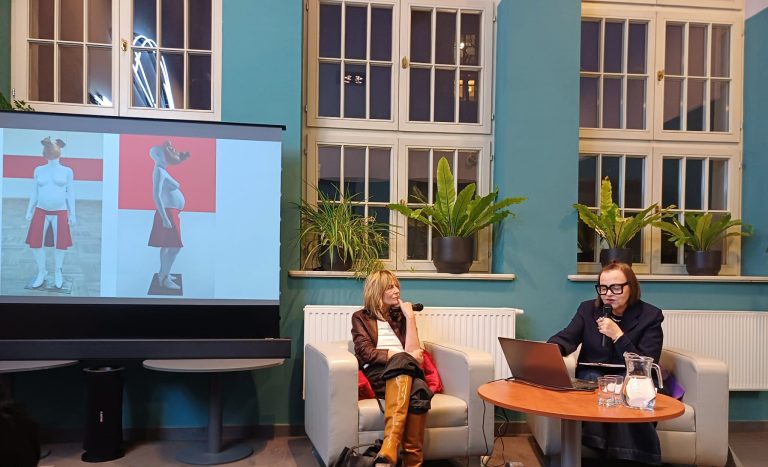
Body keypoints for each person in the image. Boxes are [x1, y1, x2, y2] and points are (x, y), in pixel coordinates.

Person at [548, 261, 664, 465]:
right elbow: (567, 338)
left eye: (616, 288)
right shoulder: (588, 310)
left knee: (625, 388)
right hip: (592, 377)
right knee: (594, 380)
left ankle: (629, 458)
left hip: (631, 379)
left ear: (631, 287)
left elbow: (644, 363)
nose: (608, 294)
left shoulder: (650, 316)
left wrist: (618, 336)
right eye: (603, 288)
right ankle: (598, 447)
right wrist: (549, 350)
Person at [351, 270, 432, 467]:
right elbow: (366, 353)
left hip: (407, 370)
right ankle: (409, 459)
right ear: (377, 291)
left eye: (397, 286)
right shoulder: (360, 317)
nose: (397, 290)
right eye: (390, 287)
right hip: (379, 372)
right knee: (419, 389)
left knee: (417, 385)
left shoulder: (402, 317)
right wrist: (399, 355)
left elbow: (414, 353)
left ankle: (390, 447)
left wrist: (410, 318)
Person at [25, 136, 76, 289]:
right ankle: (42, 271)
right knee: (35, 243)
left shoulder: (67, 171)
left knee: (60, 244)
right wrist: (29, 209)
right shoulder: (38, 170)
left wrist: (73, 214)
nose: (49, 151)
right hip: (41, 210)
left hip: (60, 211)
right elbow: (34, 191)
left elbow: (70, 194)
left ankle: (58, 271)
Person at [148, 140, 190, 290]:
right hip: (168, 213)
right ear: (159, 156)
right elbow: (156, 196)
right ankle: (165, 279)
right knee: (174, 247)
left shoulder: (162, 170)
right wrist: (165, 218)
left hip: (171, 213)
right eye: (164, 153)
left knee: (166, 246)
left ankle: (163, 273)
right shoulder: (159, 171)